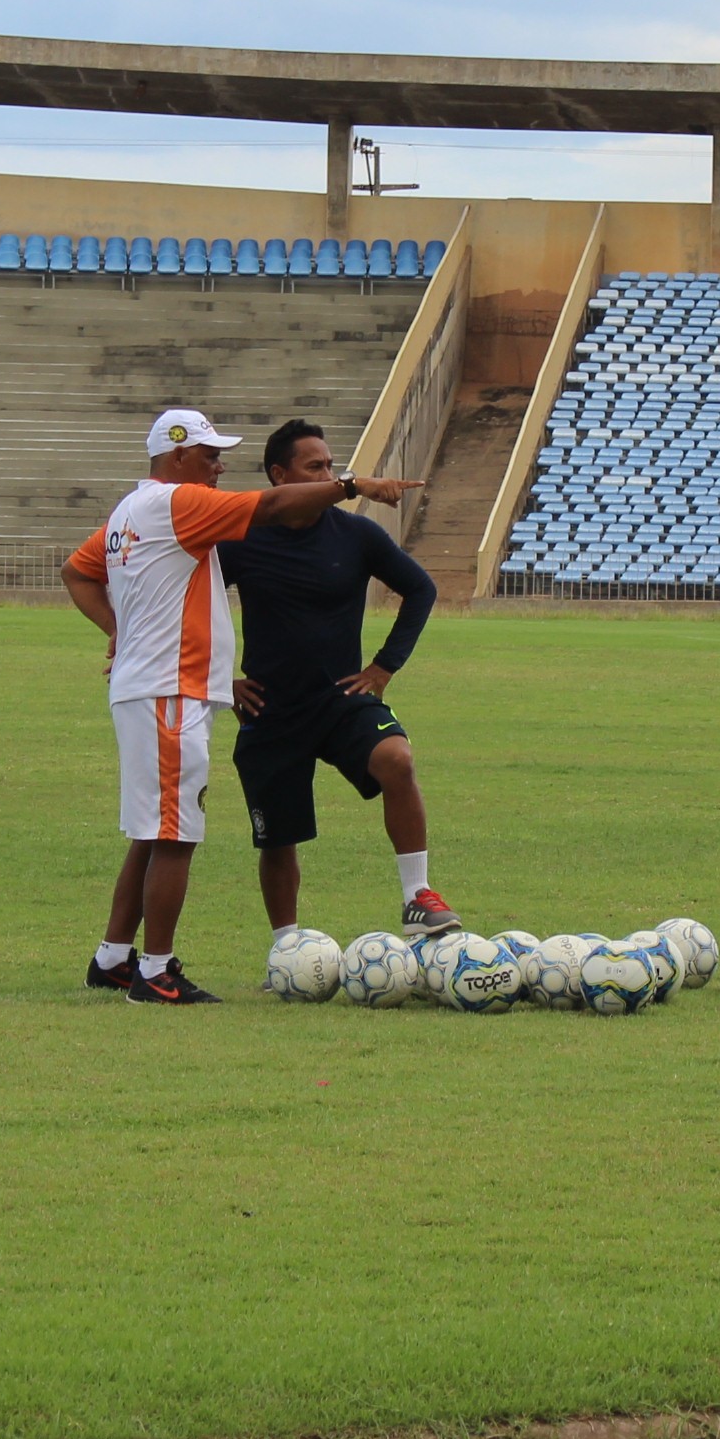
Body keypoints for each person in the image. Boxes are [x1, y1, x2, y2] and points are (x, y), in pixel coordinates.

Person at [64, 408, 409, 1003]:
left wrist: (118, 633)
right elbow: (274, 508)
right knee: (174, 834)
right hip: (171, 692)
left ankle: (114, 957)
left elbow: (77, 571)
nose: (220, 464)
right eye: (209, 454)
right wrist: (353, 486)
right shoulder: (179, 503)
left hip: (151, 688)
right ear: (177, 458)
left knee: (152, 830)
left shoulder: (129, 510)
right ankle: (154, 972)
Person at [221, 419, 458, 946]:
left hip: (341, 700)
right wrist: (222, 680)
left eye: (331, 465)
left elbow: (420, 589)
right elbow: (192, 604)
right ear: (280, 476)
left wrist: (383, 667)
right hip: (271, 709)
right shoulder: (242, 538)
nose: (330, 475)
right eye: (316, 468)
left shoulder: (356, 535)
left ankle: (417, 896)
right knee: (277, 840)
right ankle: (287, 948)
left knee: (397, 758)